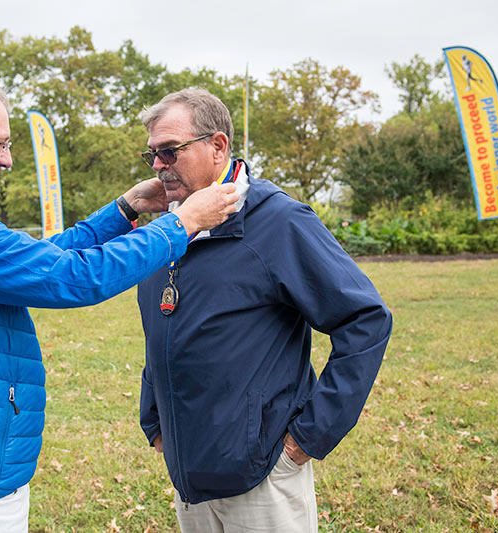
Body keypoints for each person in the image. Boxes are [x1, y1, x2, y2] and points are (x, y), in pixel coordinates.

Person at [0, 74, 239, 532]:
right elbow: (71, 277)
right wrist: (181, 224)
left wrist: (123, 210)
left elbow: (39, 257)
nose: (6, 160)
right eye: (0, 143)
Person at [136, 88, 393, 532]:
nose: (159, 165)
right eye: (152, 154)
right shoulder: (167, 232)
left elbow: (365, 319)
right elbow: (162, 325)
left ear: (217, 147)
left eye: (169, 151)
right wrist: (154, 418)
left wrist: (307, 438)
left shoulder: (279, 222)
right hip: (188, 475)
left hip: (262, 478)